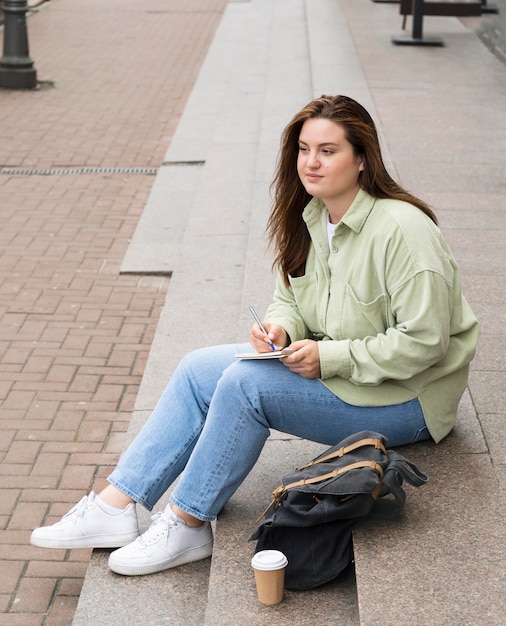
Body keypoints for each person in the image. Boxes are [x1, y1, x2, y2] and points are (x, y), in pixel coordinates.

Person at [30, 95, 479, 577]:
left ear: (363, 158)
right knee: (198, 368)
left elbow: (425, 342)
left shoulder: (403, 231)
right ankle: (115, 506)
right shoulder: (311, 216)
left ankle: (188, 522)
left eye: (328, 151)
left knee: (246, 387)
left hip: (411, 400)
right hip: (354, 374)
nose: (311, 162)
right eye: (304, 149)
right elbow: (290, 296)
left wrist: (331, 358)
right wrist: (280, 326)